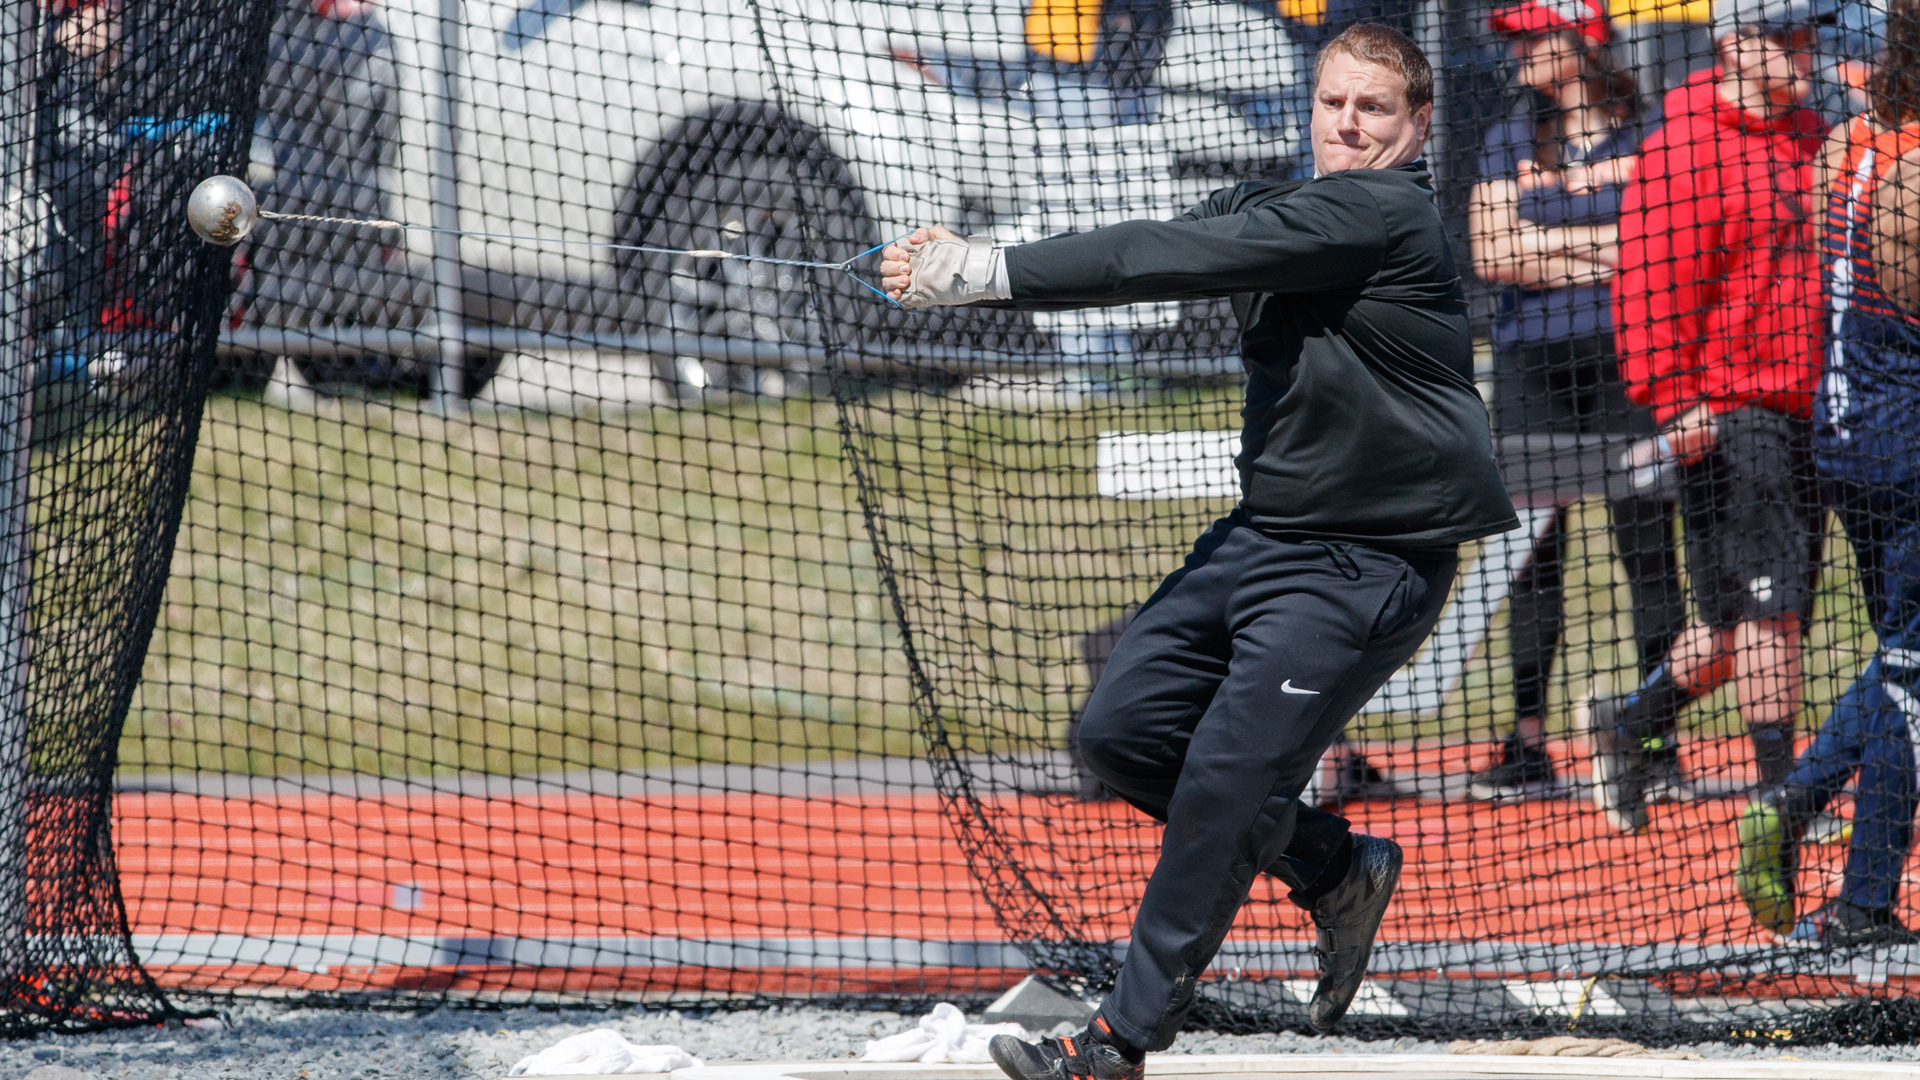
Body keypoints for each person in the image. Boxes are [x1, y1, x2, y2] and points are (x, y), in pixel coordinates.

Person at [880, 23, 1517, 1075]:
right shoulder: (1294, 207)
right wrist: (984, 249)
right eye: (1333, 102)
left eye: (1375, 108)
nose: (1349, 123)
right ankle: (1333, 866)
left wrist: (986, 271)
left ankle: (1119, 1042)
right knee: (1122, 734)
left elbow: (1162, 257)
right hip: (1262, 539)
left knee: (1222, 783)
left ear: (1417, 128)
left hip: (1368, 565)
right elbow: (1162, 230)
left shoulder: (1381, 212)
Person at [1593, 0, 1829, 833]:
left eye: (1810, 33)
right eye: (1787, 36)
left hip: (1807, 406)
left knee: (1729, 626)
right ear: (1733, 45)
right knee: (1776, 610)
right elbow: (1649, 288)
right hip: (1732, 411)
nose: (1806, 49)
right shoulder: (1685, 145)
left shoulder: (1811, 134)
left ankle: (1629, 725)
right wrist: (1674, 400)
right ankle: (1780, 797)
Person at [1464, 0, 1688, 801]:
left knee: (1647, 548)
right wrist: (1599, 250)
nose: (1518, 50)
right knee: (1530, 557)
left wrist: (1546, 244)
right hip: (1533, 365)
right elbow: (1493, 252)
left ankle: (1654, 738)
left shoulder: (1652, 130)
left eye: (1533, 36)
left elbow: (1659, 246)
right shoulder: (1509, 137)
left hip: (1631, 361)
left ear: (1582, 41)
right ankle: (1527, 744)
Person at [1735, 0, 1920, 947]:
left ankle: (1797, 805)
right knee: (1917, 670)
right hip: (1904, 436)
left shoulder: (1847, 144)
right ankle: (1860, 903)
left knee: (1903, 649)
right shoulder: (1912, 165)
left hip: (1846, 431)